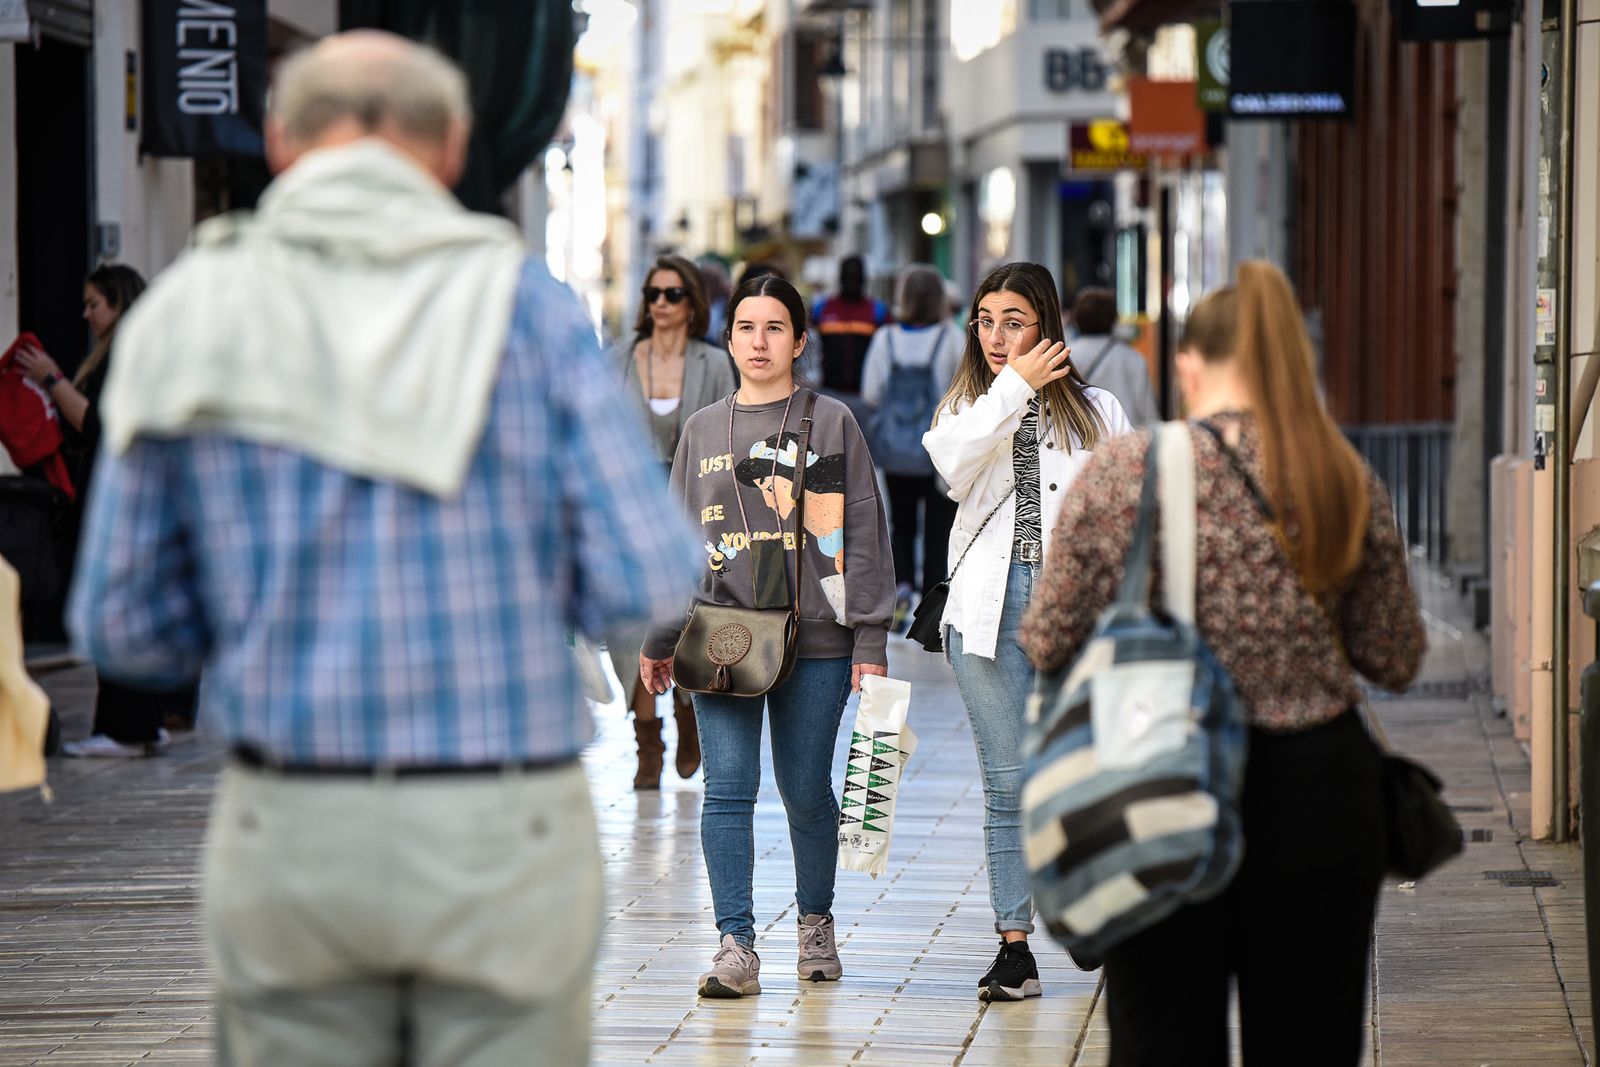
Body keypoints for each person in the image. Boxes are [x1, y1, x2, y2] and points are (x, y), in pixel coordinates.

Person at [68, 32, 700, 1067]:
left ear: (277, 140)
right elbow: (645, 574)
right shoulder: (530, 314)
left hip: (292, 822)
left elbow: (124, 625)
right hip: (503, 823)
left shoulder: (191, 313)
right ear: (452, 149)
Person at [1018, 262, 1427, 1065]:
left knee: (1161, 1042)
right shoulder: (1343, 474)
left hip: (1156, 784)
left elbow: (1047, 637)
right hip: (1318, 794)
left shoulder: (1125, 470)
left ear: (1189, 365)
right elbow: (1396, 654)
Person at [639, 273, 895, 999]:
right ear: (729, 339)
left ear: (800, 340)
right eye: (746, 327)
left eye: (775, 327)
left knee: (805, 789)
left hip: (817, 638)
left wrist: (870, 640)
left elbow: (865, 533)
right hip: (720, 638)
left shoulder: (832, 421)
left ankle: (816, 922)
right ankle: (735, 944)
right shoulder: (701, 430)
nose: (759, 340)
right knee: (728, 789)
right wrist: (660, 637)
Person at [922, 261, 1132, 1002]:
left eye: (1015, 320)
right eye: (984, 319)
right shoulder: (968, 408)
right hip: (987, 609)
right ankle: (1015, 948)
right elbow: (948, 465)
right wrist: (1014, 387)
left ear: (1047, 323)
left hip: (1074, 607)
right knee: (1008, 783)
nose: (997, 335)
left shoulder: (1101, 410)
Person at [15, 264, 200, 755]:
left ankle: (126, 727)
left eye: (95, 303)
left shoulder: (126, 352)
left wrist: (50, 378)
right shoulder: (129, 351)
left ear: (119, 304)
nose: (87, 314)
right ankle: (140, 721)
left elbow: (98, 423)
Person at [608, 254, 737, 789]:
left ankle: (687, 712)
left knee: (686, 618)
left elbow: (728, 437)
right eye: (653, 294)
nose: (660, 303)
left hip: (693, 512)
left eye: (672, 294)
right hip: (628, 515)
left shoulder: (712, 363)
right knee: (631, 627)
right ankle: (647, 742)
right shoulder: (616, 359)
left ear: (692, 304)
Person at [859, 263, 962, 629]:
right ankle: (933, 605)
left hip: (895, 450)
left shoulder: (885, 339)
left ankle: (901, 587)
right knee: (939, 527)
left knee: (900, 525)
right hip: (940, 452)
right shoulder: (952, 338)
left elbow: (871, 393)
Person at [1068, 287, 1159, 425]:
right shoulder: (1133, 357)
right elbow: (1148, 412)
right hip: (1125, 439)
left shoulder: (1067, 356)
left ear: (1077, 318)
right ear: (1113, 318)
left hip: (1084, 437)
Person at [812, 254, 889, 418]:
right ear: (840, 277)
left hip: (865, 397)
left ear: (864, 278)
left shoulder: (878, 311)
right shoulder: (822, 309)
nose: (852, 280)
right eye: (848, 276)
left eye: (856, 276)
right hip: (828, 392)